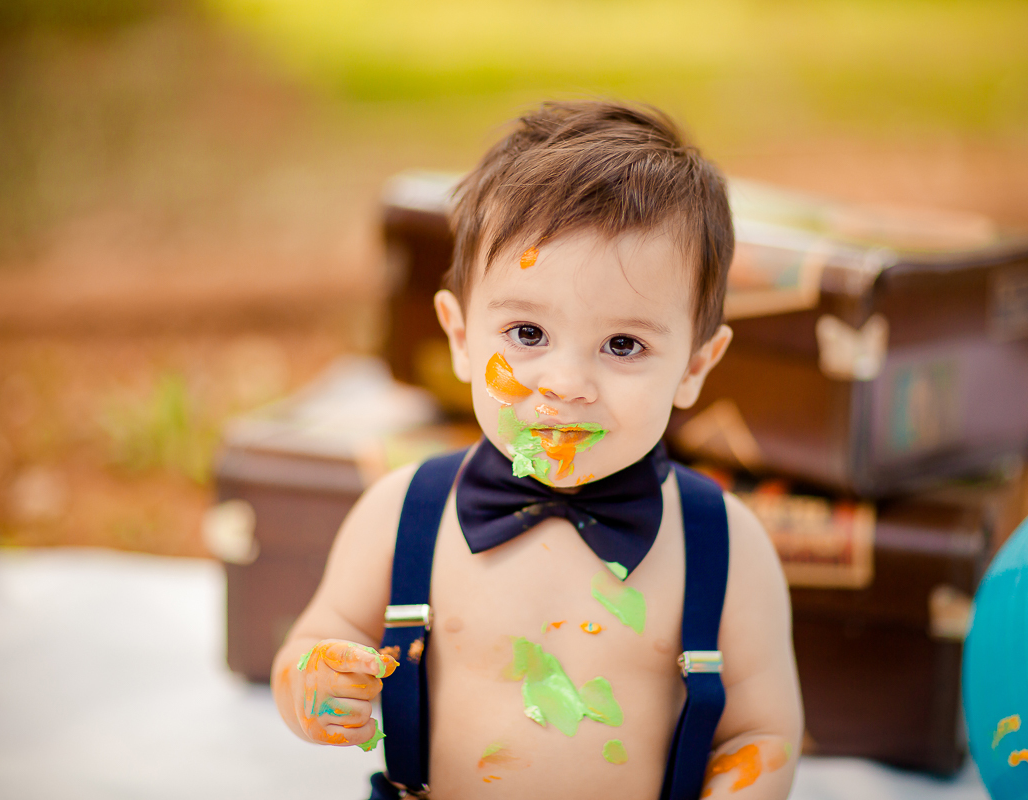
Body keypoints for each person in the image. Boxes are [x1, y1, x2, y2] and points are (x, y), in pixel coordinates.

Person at [272, 100, 803, 800]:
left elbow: (761, 732)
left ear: (695, 367)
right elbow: (312, 642)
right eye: (527, 334)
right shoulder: (404, 515)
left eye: (623, 345)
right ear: (461, 338)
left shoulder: (723, 544)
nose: (566, 384)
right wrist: (316, 683)